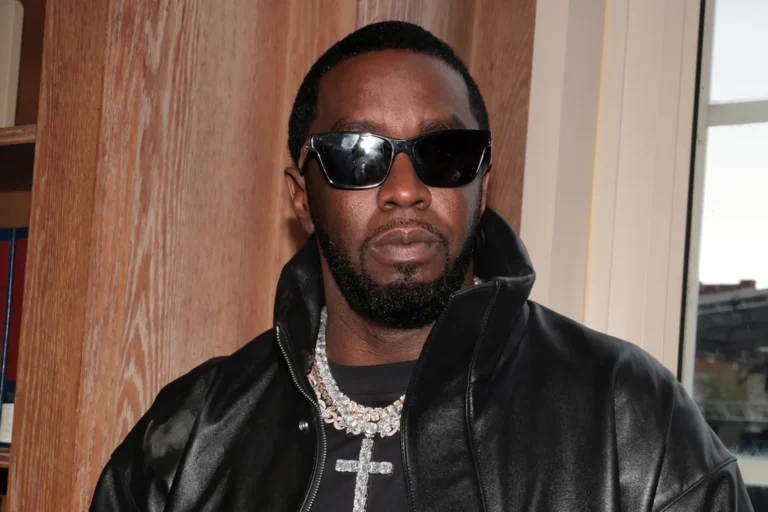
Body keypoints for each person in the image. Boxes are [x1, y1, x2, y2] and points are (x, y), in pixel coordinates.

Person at [90, 21, 754, 512]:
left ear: (482, 182)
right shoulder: (188, 436)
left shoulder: (627, 416)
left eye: (445, 152)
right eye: (357, 154)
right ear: (302, 194)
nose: (404, 189)